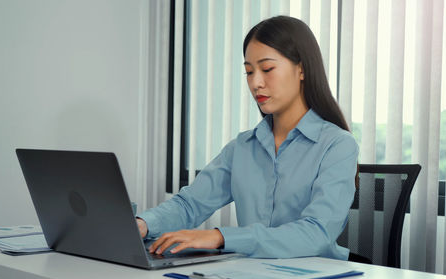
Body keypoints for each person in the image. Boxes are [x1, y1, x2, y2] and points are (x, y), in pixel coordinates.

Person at [136, 15, 359, 260]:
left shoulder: (338, 146)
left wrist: (221, 237)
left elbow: (316, 233)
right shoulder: (242, 147)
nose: (256, 83)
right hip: (250, 272)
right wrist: (143, 223)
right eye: (249, 72)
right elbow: (190, 204)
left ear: (302, 69)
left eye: (267, 69)